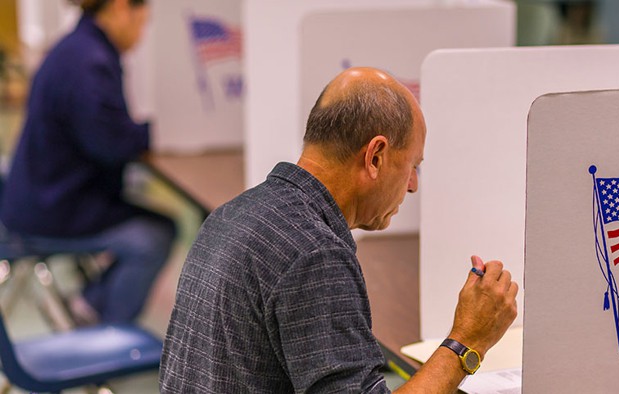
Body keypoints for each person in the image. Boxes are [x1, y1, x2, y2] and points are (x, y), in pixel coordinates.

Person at [159, 67, 518, 393]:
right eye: (413, 166)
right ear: (375, 156)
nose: (412, 185)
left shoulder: (233, 213)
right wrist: (467, 340)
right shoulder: (314, 254)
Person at [0, 0, 175, 325]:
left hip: (39, 197)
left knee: (151, 223)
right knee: (155, 236)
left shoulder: (77, 49)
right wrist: (162, 131)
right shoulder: (89, 63)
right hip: (50, 212)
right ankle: (104, 330)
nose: (142, 34)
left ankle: (87, 305)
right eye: (142, 22)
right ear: (121, 7)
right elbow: (110, 144)